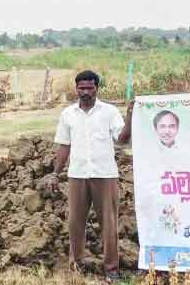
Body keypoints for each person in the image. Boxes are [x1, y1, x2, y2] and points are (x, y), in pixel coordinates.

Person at [53, 70, 132, 272]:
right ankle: (77, 264)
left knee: (108, 223)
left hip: (105, 175)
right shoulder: (68, 114)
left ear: (96, 88)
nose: (86, 92)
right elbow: (64, 145)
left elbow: (122, 139)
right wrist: (55, 173)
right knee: (75, 223)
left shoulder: (109, 112)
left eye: (90, 88)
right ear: (76, 89)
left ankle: (111, 268)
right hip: (77, 175)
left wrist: (130, 118)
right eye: (82, 88)